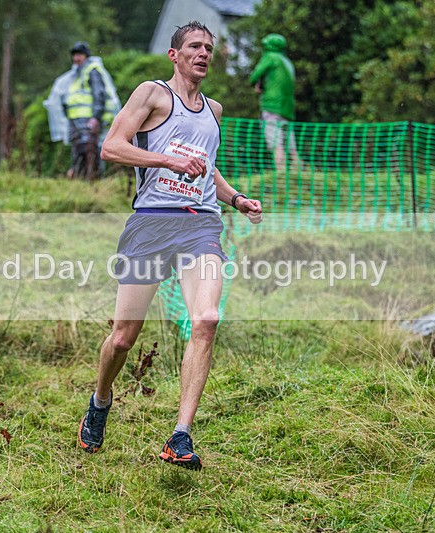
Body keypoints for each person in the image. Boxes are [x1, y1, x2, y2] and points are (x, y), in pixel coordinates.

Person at [77, 21, 263, 471]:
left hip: (200, 227)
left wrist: (235, 198)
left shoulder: (214, 110)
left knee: (207, 319)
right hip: (151, 224)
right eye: (194, 47)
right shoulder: (152, 94)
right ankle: (100, 401)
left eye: (209, 48)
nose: (203, 53)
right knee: (123, 338)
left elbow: (207, 170)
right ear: (174, 55)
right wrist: (166, 159)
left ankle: (180, 436)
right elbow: (112, 147)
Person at [62, 41, 120, 180]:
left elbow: (98, 95)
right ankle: (80, 180)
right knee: (79, 152)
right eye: (74, 55)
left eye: (79, 55)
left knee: (90, 151)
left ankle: (93, 180)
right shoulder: (76, 74)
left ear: (86, 56)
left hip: (88, 120)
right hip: (77, 121)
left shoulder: (92, 71)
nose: (76, 58)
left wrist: (95, 117)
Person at [248, 33, 300, 174]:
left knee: (276, 143)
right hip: (287, 108)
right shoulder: (287, 62)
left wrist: (258, 84)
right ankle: (298, 171)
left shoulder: (270, 57)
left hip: (272, 106)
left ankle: (281, 174)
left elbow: (254, 76)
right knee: (290, 143)